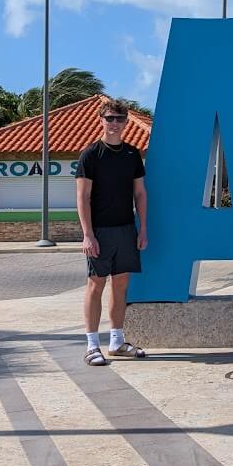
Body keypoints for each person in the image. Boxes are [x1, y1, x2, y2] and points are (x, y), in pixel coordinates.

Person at [76, 98, 148, 366]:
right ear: (101, 120)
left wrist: (142, 229)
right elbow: (83, 198)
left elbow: (140, 194)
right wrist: (88, 234)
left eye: (119, 119)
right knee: (96, 284)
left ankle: (116, 342)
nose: (114, 124)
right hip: (99, 231)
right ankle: (92, 345)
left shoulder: (132, 154)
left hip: (126, 229)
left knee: (121, 284)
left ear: (126, 122)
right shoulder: (90, 155)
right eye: (110, 119)